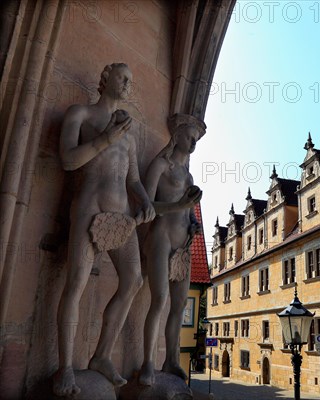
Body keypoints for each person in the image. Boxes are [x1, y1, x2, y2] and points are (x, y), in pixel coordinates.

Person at [53, 63, 155, 397]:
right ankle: (66, 367)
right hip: (88, 208)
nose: (129, 84)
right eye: (123, 77)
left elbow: (134, 179)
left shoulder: (130, 129)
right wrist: (105, 139)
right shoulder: (80, 114)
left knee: (134, 281)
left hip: (121, 215)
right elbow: (68, 160)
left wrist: (144, 202)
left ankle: (101, 355)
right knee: (76, 285)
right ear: (105, 79)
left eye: (132, 80)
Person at [139, 115, 204, 386]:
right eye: (190, 137)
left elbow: (188, 212)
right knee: (159, 301)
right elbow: (146, 206)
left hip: (182, 245)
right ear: (177, 136)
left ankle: (172, 360)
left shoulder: (188, 175)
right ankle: (147, 364)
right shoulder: (161, 165)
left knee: (178, 305)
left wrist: (193, 224)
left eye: (196, 140)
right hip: (160, 237)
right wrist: (180, 207)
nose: (193, 143)